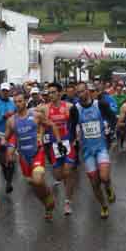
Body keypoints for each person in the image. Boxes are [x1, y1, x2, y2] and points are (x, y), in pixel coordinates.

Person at [5, 93, 65, 221]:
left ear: (25, 101)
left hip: (37, 152)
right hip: (23, 157)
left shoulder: (36, 115)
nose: (18, 104)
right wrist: (9, 152)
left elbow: (52, 125)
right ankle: (47, 206)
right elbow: (9, 139)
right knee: (35, 186)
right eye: (15, 102)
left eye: (20, 101)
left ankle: (48, 194)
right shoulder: (11, 121)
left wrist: (59, 142)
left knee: (37, 180)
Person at [70, 82, 117, 219]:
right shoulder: (75, 109)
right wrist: (72, 140)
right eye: (78, 92)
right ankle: (103, 206)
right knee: (95, 183)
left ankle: (108, 188)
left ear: (88, 91)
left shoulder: (100, 105)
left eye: (83, 91)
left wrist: (111, 129)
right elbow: (72, 127)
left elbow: (112, 118)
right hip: (87, 151)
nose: (80, 94)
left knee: (104, 177)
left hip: (101, 147)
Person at [41, 82, 77, 215]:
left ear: (60, 93)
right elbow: (36, 118)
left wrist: (76, 137)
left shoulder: (68, 106)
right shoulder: (44, 108)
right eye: (49, 92)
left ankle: (68, 202)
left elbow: (76, 121)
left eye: (53, 92)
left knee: (68, 172)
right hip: (54, 145)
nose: (51, 95)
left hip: (67, 143)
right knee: (58, 176)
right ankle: (49, 198)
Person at [0, 83, 17, 193]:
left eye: (7, 91)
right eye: (3, 91)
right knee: (2, 159)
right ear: (0, 91)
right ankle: (7, 178)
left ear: (9, 92)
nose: (5, 93)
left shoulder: (13, 103)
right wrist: (4, 116)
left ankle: (9, 182)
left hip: (11, 134)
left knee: (11, 158)